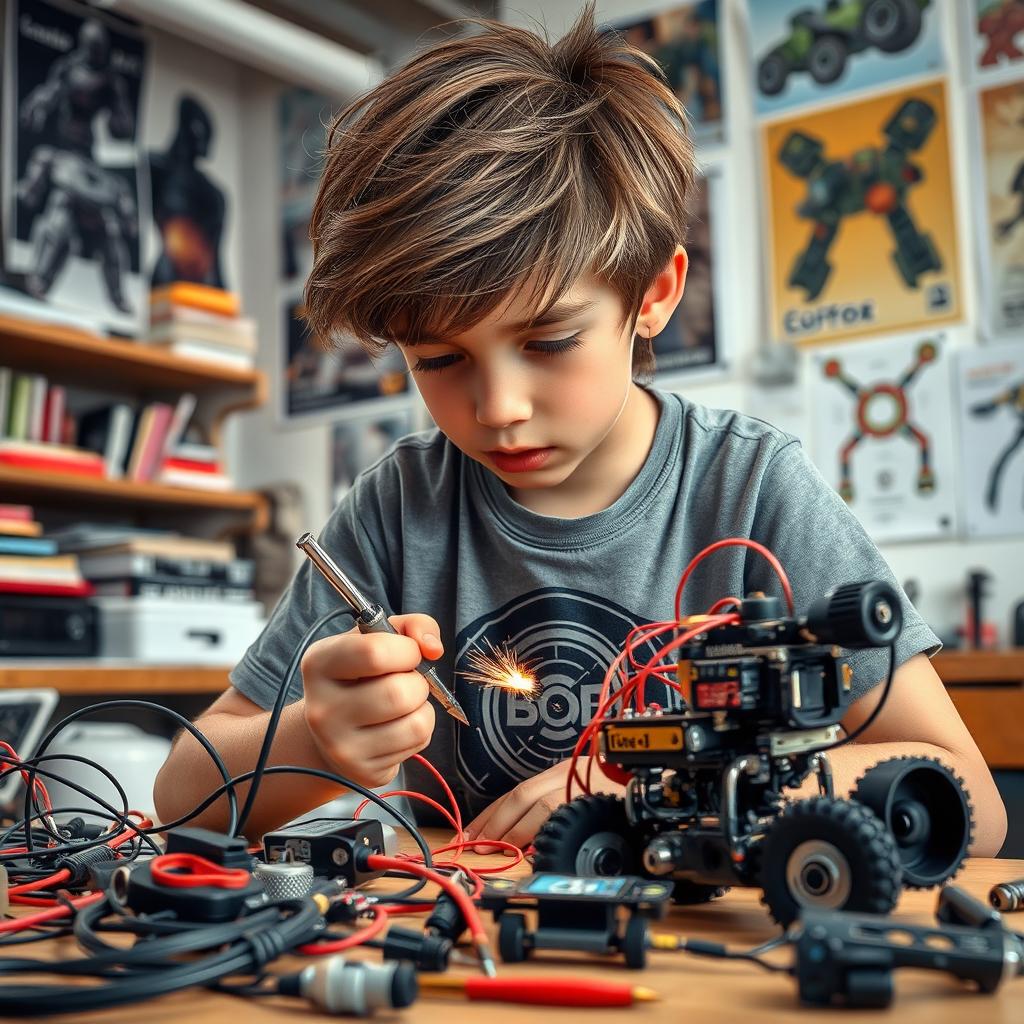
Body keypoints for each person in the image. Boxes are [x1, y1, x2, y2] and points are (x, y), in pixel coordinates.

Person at [154, 5, 1006, 857]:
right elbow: (180, 799)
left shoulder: (749, 491)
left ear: (655, 295)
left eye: (549, 342)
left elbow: (964, 791)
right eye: (439, 361)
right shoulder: (400, 507)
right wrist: (314, 738)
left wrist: (676, 783)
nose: (499, 409)